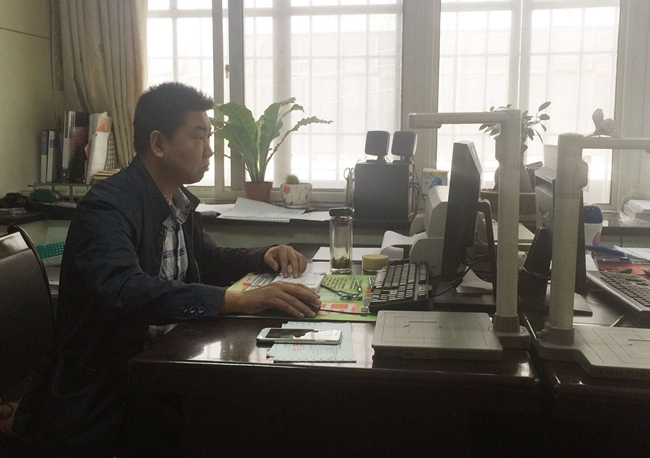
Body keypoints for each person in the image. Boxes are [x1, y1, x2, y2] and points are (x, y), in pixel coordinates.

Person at [11, 82, 320, 456]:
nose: (210, 150)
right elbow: (124, 290)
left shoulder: (175, 199)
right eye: (199, 136)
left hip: (162, 364)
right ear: (158, 144)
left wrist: (265, 254)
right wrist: (235, 300)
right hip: (111, 391)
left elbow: (208, 259)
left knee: (272, 406)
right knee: (252, 415)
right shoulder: (107, 207)